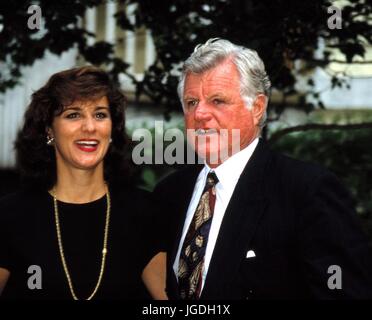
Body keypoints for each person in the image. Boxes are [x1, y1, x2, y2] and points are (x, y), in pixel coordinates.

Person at [154, 38, 372, 299]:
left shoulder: (307, 192)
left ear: (257, 108)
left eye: (217, 101)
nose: (200, 114)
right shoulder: (169, 193)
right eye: (191, 102)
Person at [0, 66, 167, 300]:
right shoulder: (10, 216)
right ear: (49, 130)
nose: (89, 127)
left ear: (111, 129)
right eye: (73, 115)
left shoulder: (144, 212)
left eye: (100, 114)